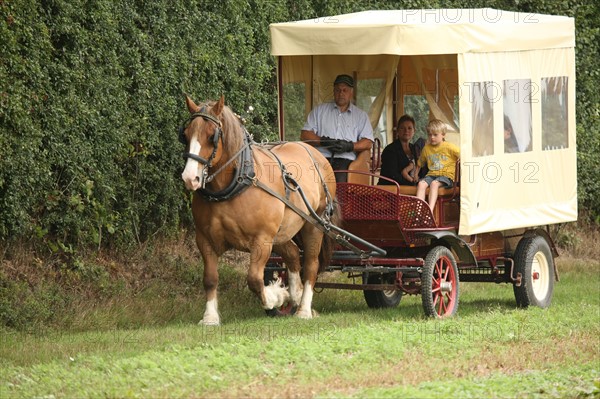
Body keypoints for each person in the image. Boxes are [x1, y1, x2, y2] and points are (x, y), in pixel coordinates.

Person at [301, 74, 374, 182]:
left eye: (345, 90)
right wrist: (323, 141)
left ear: (351, 92)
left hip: (346, 160)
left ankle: (338, 200)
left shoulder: (360, 116)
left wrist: (349, 146)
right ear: (333, 91)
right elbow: (304, 134)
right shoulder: (319, 111)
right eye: (338, 90)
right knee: (306, 180)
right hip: (321, 158)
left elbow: (368, 142)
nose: (341, 93)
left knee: (339, 180)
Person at [413, 119, 460, 211]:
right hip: (431, 175)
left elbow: (462, 155)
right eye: (430, 135)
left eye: (435, 135)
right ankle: (418, 211)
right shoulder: (426, 149)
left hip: (446, 176)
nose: (432, 137)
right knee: (421, 184)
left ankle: (430, 210)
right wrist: (415, 174)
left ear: (443, 135)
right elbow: (420, 163)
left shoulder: (449, 147)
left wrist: (459, 160)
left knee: (434, 184)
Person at [378, 114, 427, 186]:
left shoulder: (415, 148)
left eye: (409, 128)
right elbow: (393, 175)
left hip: (411, 190)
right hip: (391, 190)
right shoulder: (390, 150)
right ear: (397, 131)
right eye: (402, 128)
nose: (406, 131)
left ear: (414, 131)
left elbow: (421, 169)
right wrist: (412, 184)